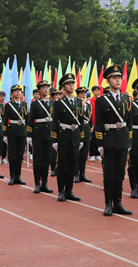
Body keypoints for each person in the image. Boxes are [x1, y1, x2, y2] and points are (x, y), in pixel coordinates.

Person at [95, 65, 133, 216]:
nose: (118, 80)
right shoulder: (102, 100)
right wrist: (100, 144)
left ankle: (118, 203)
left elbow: (129, 122)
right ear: (108, 80)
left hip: (123, 139)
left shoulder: (126, 99)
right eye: (114, 78)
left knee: (120, 174)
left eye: (119, 78)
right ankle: (108, 204)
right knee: (109, 174)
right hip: (109, 139)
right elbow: (98, 122)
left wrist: (129, 141)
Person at [51, 74, 85, 202]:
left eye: (72, 83)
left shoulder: (79, 102)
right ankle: (61, 191)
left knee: (72, 165)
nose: (71, 86)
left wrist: (81, 138)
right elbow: (54, 122)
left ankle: (69, 190)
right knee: (62, 165)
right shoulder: (59, 103)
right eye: (68, 84)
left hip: (75, 135)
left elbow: (81, 121)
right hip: (63, 136)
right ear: (63, 87)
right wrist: (54, 140)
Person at [27, 80, 55, 194]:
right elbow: (30, 120)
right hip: (38, 134)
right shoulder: (35, 103)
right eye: (43, 87)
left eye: (47, 87)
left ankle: (45, 183)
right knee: (38, 160)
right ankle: (37, 183)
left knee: (47, 159)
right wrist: (29, 135)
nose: (46, 89)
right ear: (39, 90)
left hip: (49, 134)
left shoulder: (53, 103)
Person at [2, 85, 28, 185]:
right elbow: (4, 120)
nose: (18, 93)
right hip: (12, 130)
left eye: (19, 91)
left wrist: (28, 132)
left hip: (22, 131)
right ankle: (12, 176)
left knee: (20, 154)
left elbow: (27, 119)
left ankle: (18, 176)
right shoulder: (8, 105)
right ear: (12, 94)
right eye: (15, 91)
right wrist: (4, 134)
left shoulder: (25, 105)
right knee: (12, 155)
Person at [75, 86, 92, 183]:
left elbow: (90, 121)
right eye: (81, 93)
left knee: (84, 154)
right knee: (77, 154)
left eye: (85, 93)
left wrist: (90, 131)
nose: (83, 95)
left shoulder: (88, 106)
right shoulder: (76, 105)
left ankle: (83, 174)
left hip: (86, 131)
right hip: (78, 130)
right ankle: (76, 174)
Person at [49, 88, 62, 176]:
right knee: (53, 151)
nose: (57, 96)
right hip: (52, 126)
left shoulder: (62, 103)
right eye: (55, 95)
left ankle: (59, 168)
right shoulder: (51, 104)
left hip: (61, 127)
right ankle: (53, 168)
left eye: (58, 95)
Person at [89, 86, 102, 162]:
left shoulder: (101, 100)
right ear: (93, 92)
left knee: (98, 139)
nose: (97, 92)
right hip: (93, 122)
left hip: (99, 123)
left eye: (98, 90)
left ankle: (97, 154)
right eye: (95, 91)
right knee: (92, 139)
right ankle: (92, 154)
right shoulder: (90, 101)